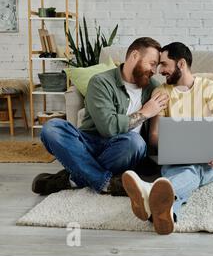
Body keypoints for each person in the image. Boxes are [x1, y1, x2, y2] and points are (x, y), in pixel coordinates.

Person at [32, 37, 169, 196]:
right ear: (134, 56)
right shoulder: (101, 82)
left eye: (156, 66)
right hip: (90, 144)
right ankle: (106, 183)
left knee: (135, 142)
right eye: (152, 63)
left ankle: (73, 178)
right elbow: (108, 128)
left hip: (124, 150)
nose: (154, 70)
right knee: (52, 128)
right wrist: (145, 112)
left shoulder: (154, 88)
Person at [122, 42, 213, 235]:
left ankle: (150, 194)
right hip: (175, 160)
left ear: (180, 64)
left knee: (195, 169)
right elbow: (154, 136)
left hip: (211, 163)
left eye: (164, 64)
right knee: (189, 171)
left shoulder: (211, 89)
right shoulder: (162, 93)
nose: (159, 70)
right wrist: (181, 147)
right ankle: (168, 214)